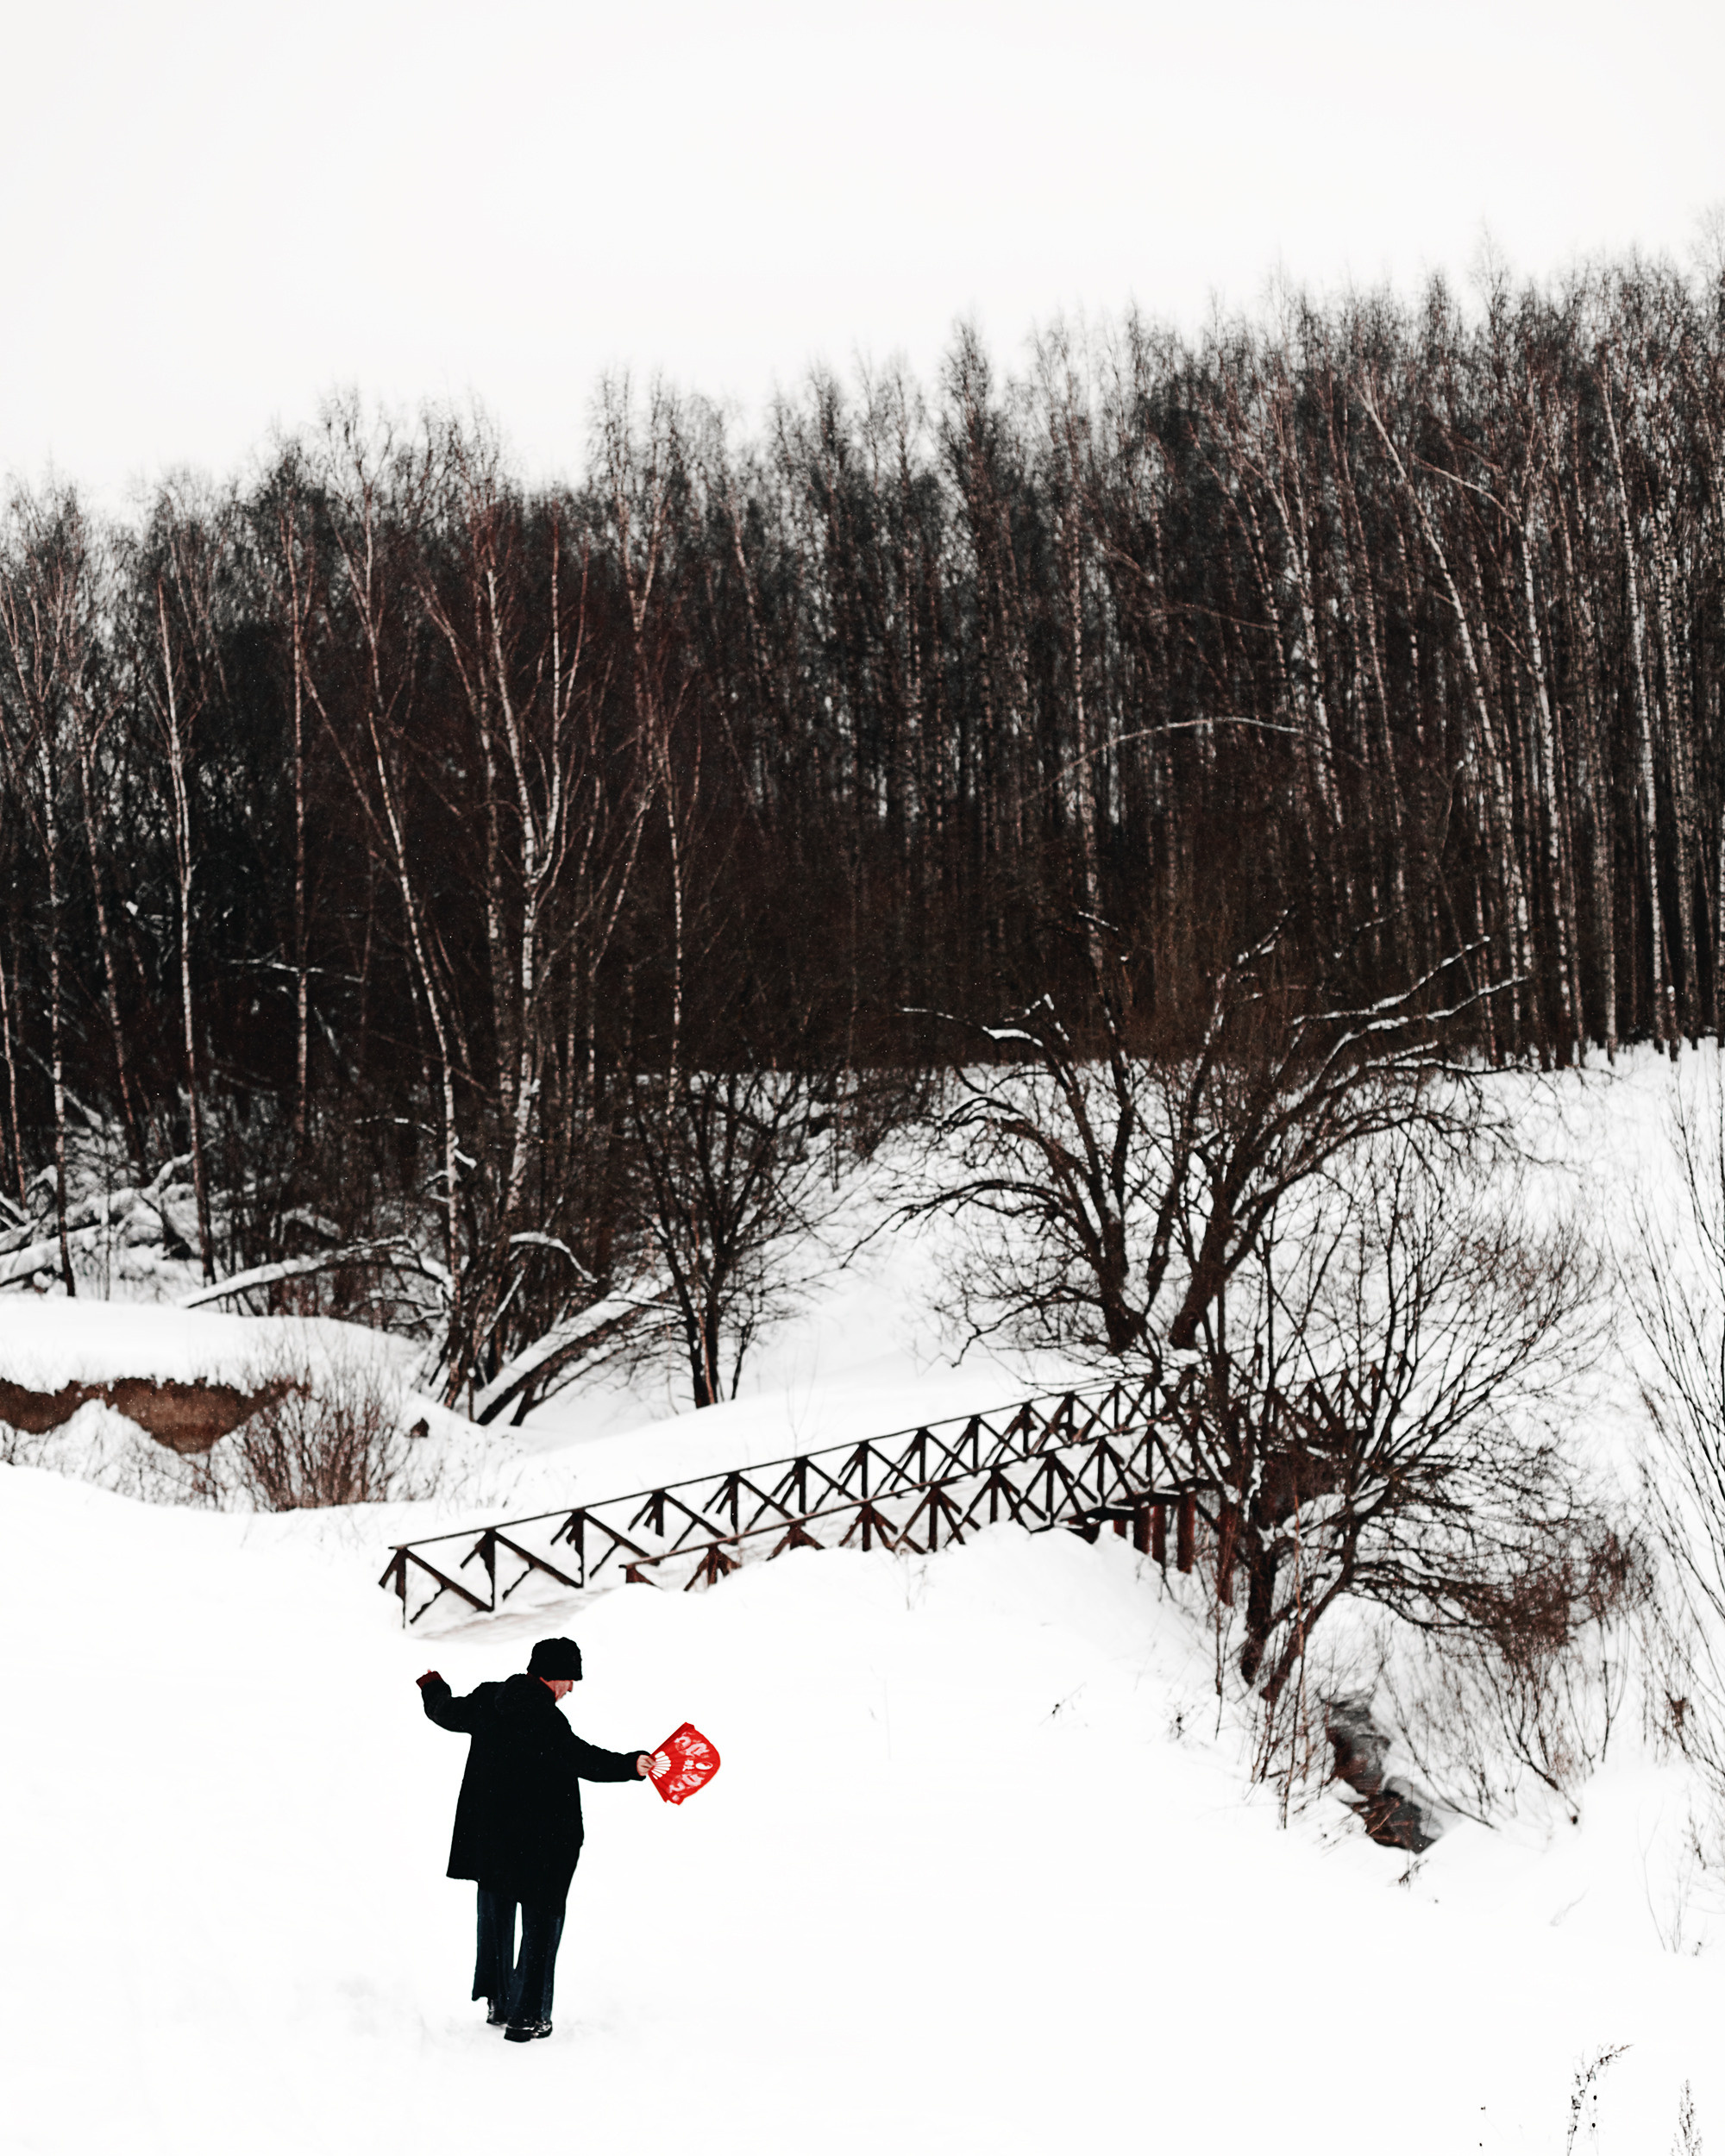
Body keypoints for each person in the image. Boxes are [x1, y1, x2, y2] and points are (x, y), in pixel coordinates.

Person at [417, 1637, 652, 2042]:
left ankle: (500, 2002)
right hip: (543, 1842)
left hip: (492, 1839)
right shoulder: (544, 1717)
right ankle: (528, 2017)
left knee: (495, 1917)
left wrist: (433, 1687)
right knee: (542, 1924)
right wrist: (630, 1765)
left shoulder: (489, 1700)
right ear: (551, 1675)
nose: (571, 1688)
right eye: (569, 1679)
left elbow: (445, 1713)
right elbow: (582, 1759)